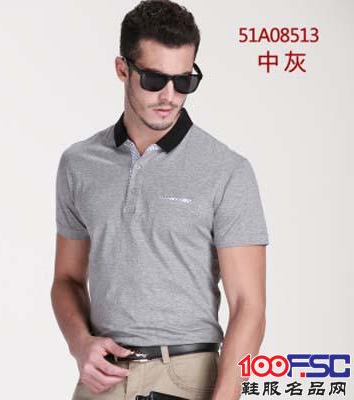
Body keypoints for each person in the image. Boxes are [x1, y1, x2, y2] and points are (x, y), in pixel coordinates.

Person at [51, 1, 270, 399]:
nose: (169, 96)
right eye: (154, 79)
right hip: (102, 380)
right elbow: (67, 279)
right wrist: (80, 344)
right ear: (122, 69)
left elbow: (248, 307)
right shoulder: (79, 164)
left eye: (183, 81)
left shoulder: (227, 170)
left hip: (188, 377)